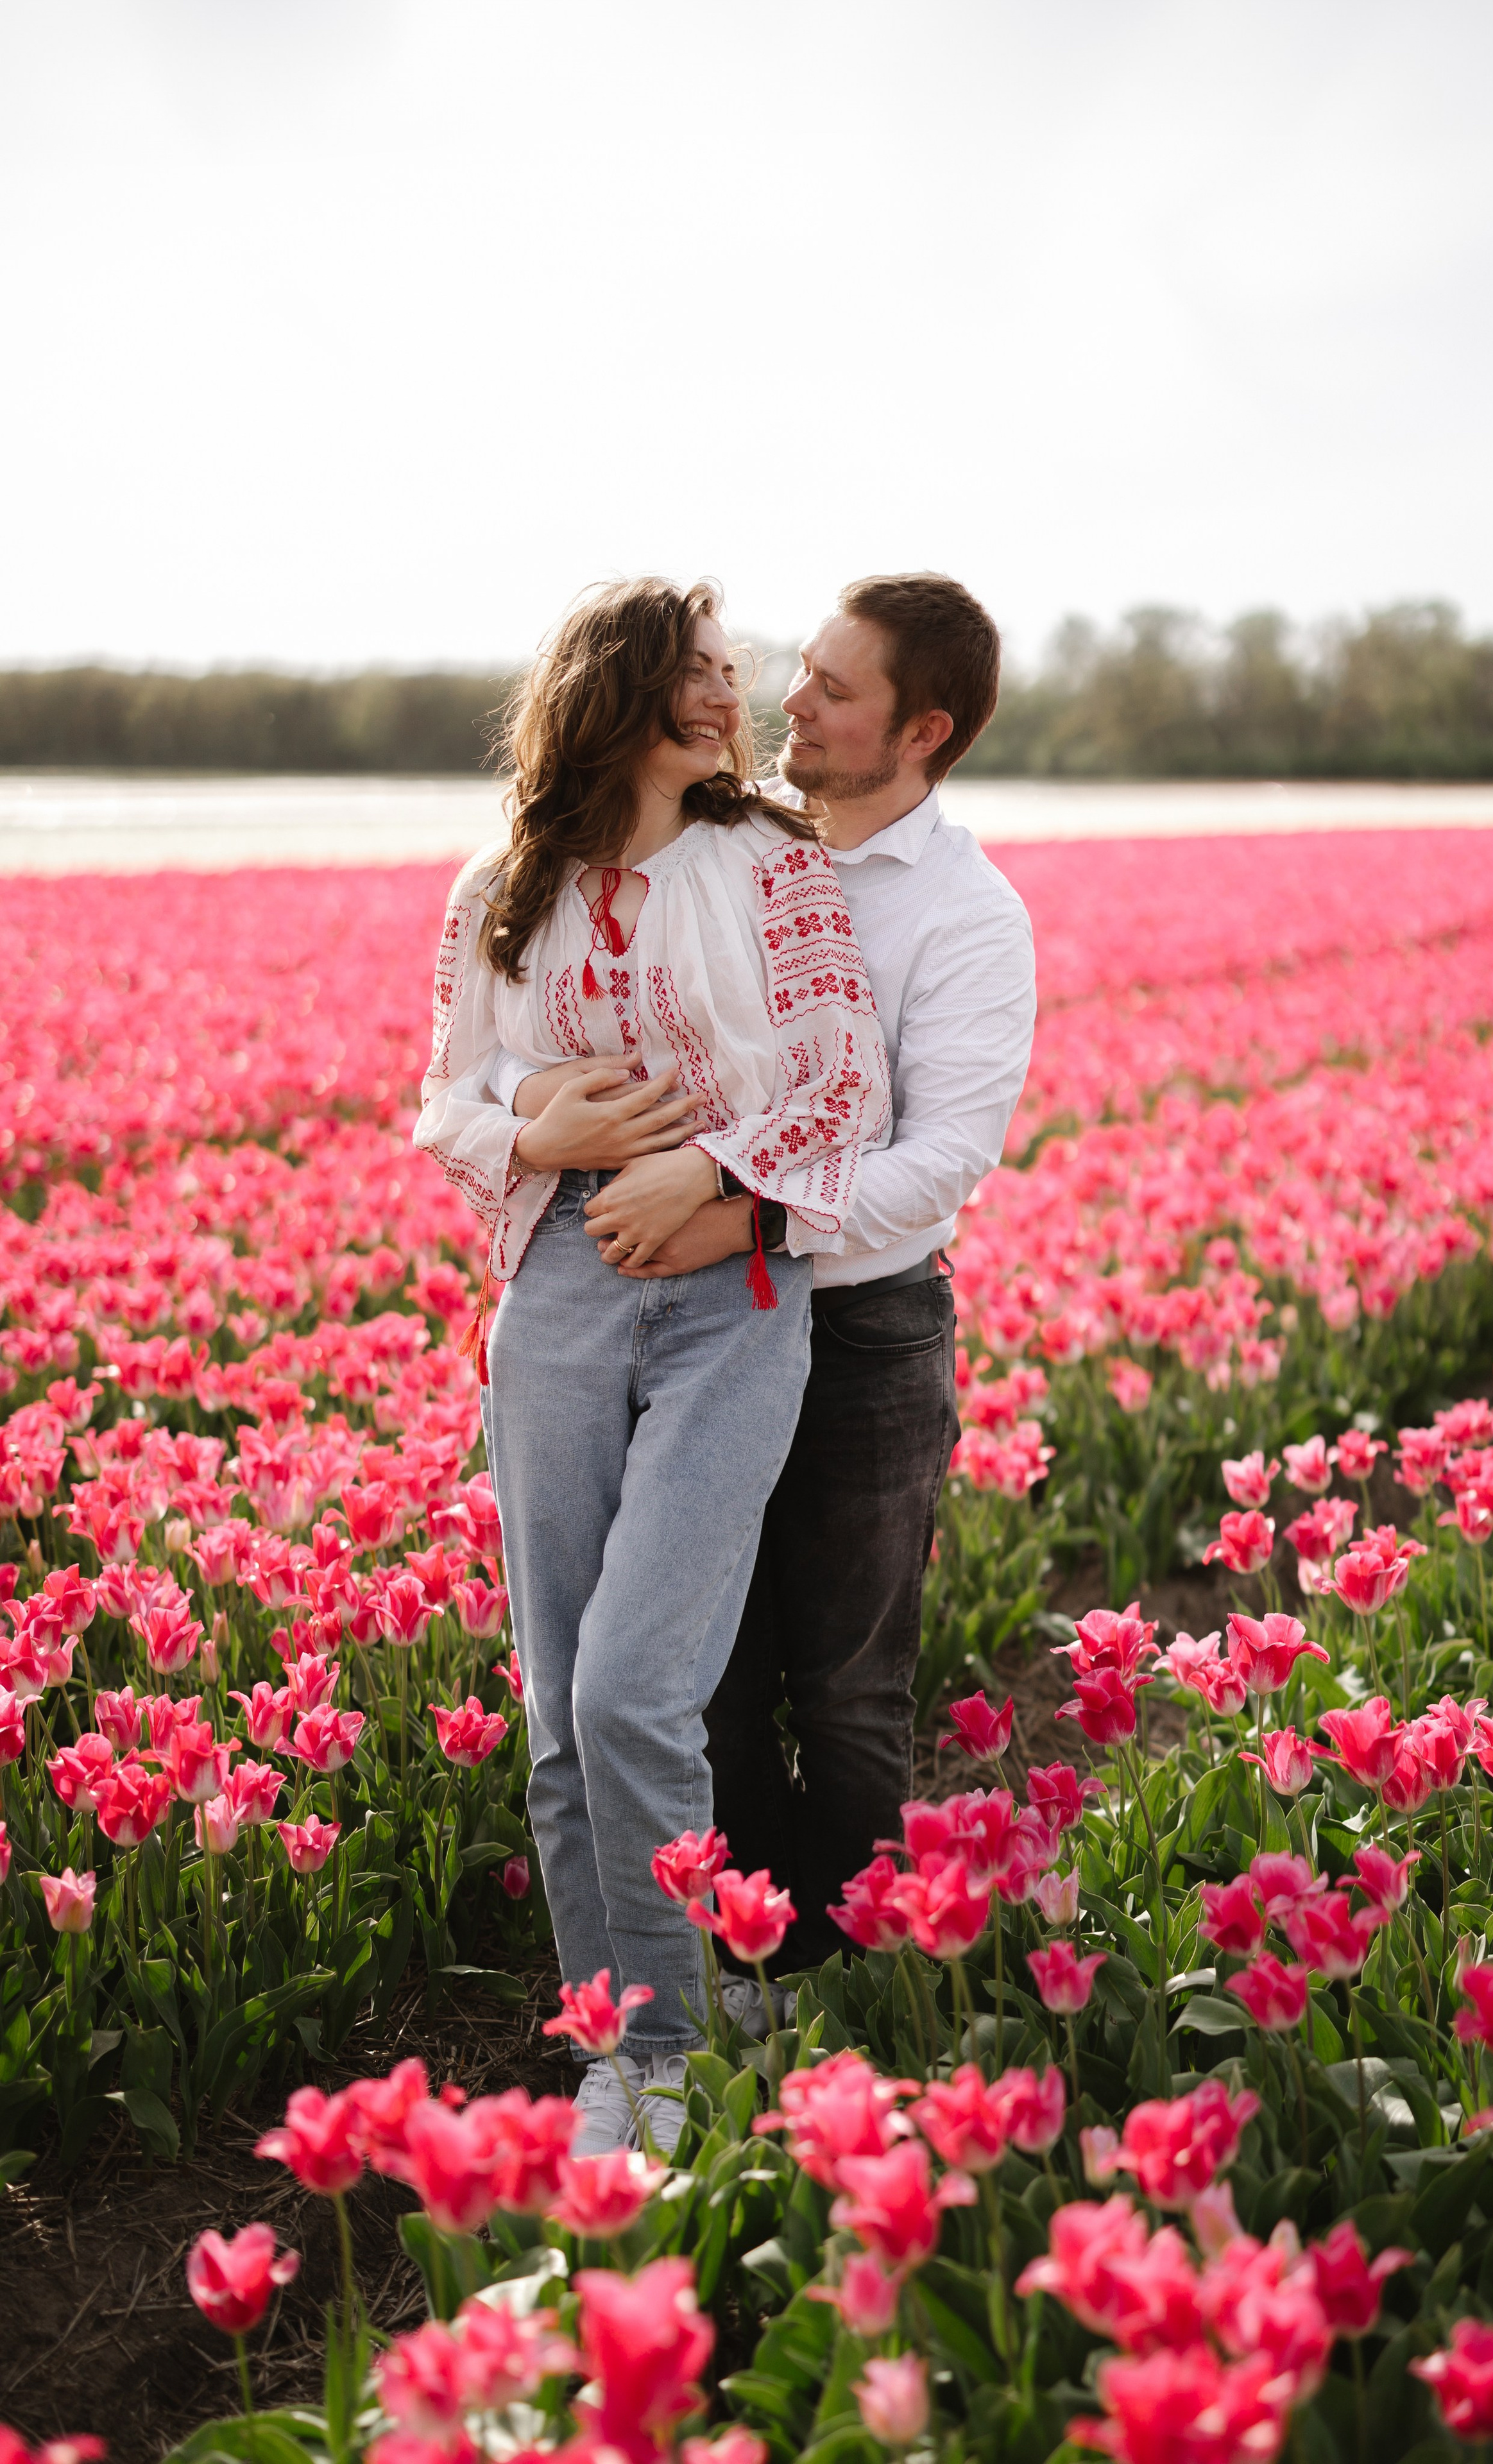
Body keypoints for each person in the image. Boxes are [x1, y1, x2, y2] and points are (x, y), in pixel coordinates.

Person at [499, 572, 1036, 1980]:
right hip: (696, 1317)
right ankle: (742, 1980)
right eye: (794, 670)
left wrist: (749, 1204)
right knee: (704, 1685)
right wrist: (540, 1113)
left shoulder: (967, 917)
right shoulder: (726, 847)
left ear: (921, 731)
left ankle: (855, 1984)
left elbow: (941, 1161)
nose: (787, 703)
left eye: (832, 690)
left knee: (848, 1690)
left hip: (862, 1331)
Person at [414, 576, 891, 2157]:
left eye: (732, 672)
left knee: (634, 1685)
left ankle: (674, 2048)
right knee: (559, 1707)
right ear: (615, 689)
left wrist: (708, 1181)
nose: (728, 695)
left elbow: (840, 1092)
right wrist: (530, 1130)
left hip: (732, 1292)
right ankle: (614, 2048)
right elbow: (448, 1099)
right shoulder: (505, 884)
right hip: (552, 1292)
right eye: (697, 671)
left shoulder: (774, 868)